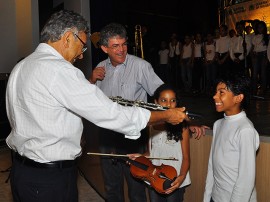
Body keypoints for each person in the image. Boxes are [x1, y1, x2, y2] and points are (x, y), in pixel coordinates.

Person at [5, 10, 188, 202]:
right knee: (112, 186)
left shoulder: (21, 66)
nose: (81, 55)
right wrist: (166, 117)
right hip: (49, 180)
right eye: (82, 46)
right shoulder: (60, 70)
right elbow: (110, 113)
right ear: (68, 37)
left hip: (22, 172)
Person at [89, 22, 165, 202]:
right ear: (104, 48)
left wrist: (184, 120)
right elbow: (88, 100)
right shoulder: (100, 68)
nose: (122, 50)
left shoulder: (141, 66)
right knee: (111, 186)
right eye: (116, 46)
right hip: (107, 136)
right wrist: (91, 80)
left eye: (124, 44)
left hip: (134, 137)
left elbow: (164, 94)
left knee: (136, 188)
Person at [129, 83, 191, 202]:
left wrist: (182, 176)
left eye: (172, 100)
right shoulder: (151, 125)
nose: (168, 104)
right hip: (154, 178)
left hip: (174, 178)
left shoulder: (182, 126)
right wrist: (140, 157)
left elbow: (186, 158)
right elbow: (151, 152)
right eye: (164, 100)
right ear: (156, 102)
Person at [203, 75, 260, 202]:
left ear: (238, 98)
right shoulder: (218, 124)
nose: (214, 96)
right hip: (216, 197)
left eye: (221, 92)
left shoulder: (245, 130)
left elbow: (246, 179)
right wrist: (207, 197)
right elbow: (212, 166)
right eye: (216, 92)